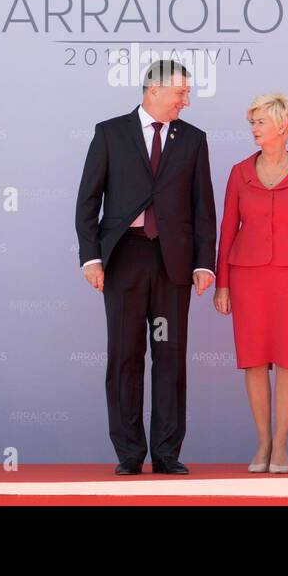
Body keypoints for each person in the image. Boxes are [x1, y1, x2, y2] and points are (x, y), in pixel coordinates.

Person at [75, 59, 217, 475]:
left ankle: (168, 453)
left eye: (187, 93)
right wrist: (91, 257)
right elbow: (88, 201)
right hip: (124, 260)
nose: (186, 101)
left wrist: (204, 264)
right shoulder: (109, 133)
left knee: (170, 355)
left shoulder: (193, 140)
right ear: (153, 90)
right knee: (125, 355)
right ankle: (129, 454)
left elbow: (203, 208)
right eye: (180, 93)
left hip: (173, 262)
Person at [213, 93, 288, 473]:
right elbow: (227, 229)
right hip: (246, 277)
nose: (254, 129)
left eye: (259, 122)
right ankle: (262, 444)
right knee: (254, 362)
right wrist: (222, 283)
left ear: (283, 125)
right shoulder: (238, 172)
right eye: (252, 123)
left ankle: (281, 446)